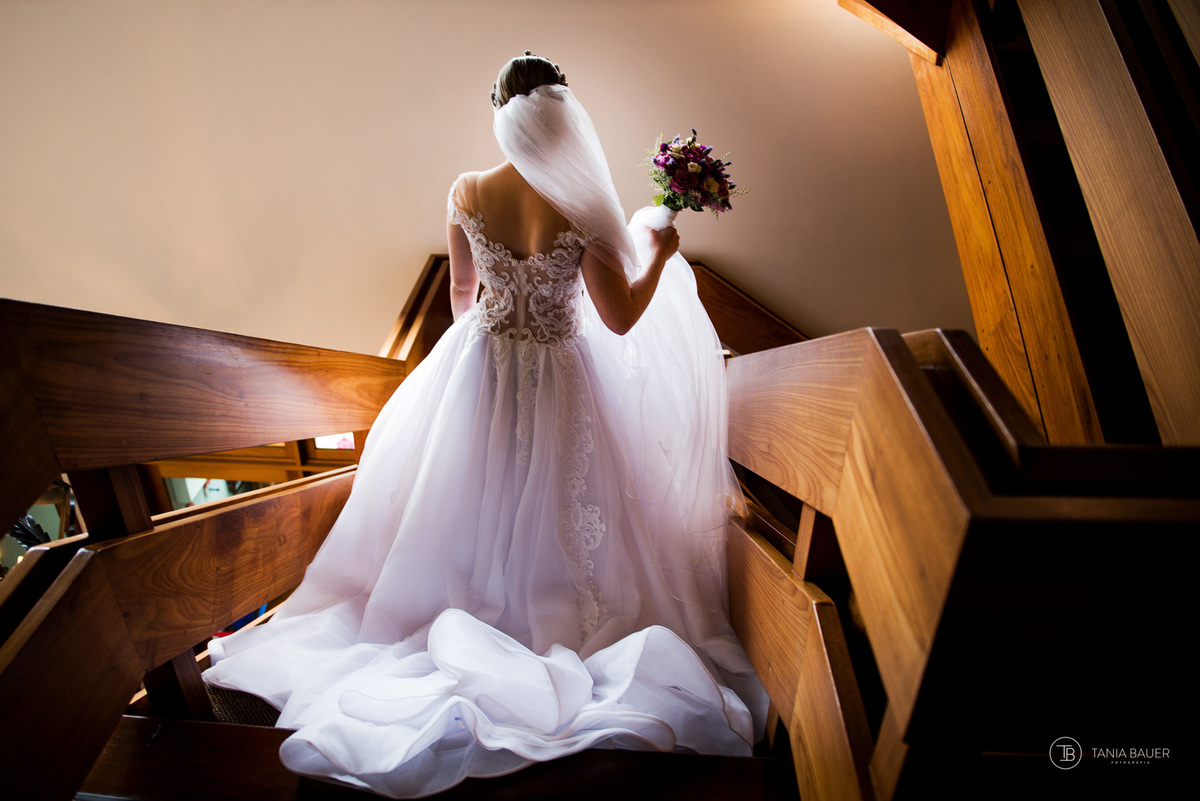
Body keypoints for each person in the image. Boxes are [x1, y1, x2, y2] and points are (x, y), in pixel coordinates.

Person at [204, 54, 766, 798]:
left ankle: (458, 611)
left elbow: (463, 300)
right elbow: (621, 319)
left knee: (466, 502)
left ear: (499, 112)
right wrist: (658, 255)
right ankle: (547, 626)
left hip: (476, 373)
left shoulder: (466, 191)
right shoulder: (582, 204)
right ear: (563, 113)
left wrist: (501, 327)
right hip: (564, 377)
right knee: (565, 513)